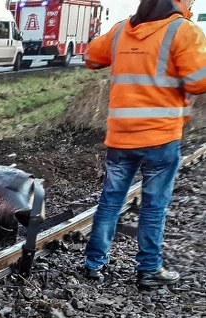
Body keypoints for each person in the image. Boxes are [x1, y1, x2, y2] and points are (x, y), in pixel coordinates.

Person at [83, 0, 206, 288]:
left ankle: (93, 263)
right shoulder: (183, 31)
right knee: (153, 206)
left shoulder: (121, 30)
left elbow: (91, 58)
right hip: (160, 137)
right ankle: (149, 268)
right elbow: (199, 82)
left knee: (110, 202)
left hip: (121, 136)